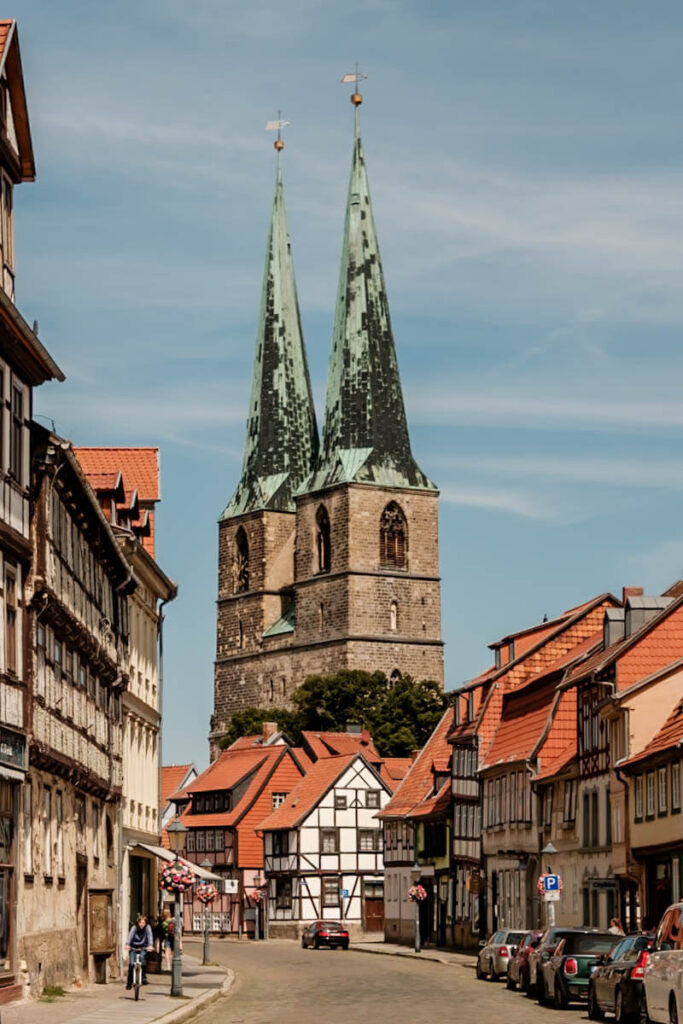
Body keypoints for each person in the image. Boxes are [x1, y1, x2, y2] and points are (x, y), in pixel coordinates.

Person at [125, 914, 154, 989]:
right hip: (133, 947)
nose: (142, 924)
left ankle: (143, 978)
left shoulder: (147, 927)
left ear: (146, 923)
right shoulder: (134, 928)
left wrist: (150, 945)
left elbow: (150, 936)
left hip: (143, 947)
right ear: (138, 922)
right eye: (140, 923)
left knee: (143, 959)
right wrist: (128, 944)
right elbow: (130, 936)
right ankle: (129, 982)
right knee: (131, 964)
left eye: (143, 923)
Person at [160, 907, 174, 971]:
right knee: (173, 952)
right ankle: (173, 965)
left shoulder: (164, 923)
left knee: (167, 953)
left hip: (167, 938)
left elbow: (162, 931)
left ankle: (168, 966)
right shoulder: (173, 921)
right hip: (173, 938)